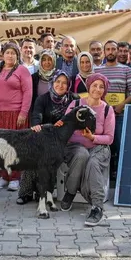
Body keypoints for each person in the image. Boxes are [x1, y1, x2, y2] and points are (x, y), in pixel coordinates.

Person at [59, 73, 115, 227]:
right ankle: (70, 192)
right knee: (82, 155)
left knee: (93, 163)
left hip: (98, 147)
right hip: (75, 146)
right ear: (89, 86)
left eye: (101, 87)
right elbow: (65, 127)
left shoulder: (107, 109)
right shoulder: (76, 103)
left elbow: (109, 138)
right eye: (94, 85)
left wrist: (92, 137)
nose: (97, 89)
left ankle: (97, 207)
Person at [17, 71, 77, 205]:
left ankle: (43, 191)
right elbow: (36, 116)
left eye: (64, 83)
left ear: (68, 85)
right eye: (58, 82)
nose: (60, 85)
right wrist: (37, 125)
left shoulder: (73, 99)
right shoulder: (43, 99)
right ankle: (26, 192)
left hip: (64, 142)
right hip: (44, 138)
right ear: (52, 82)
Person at [0, 43, 32, 191]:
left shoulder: (22, 70)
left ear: (17, 55)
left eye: (13, 53)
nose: (10, 55)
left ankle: (15, 178)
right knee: (0, 146)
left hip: (15, 113)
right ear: (3, 54)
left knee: (15, 146)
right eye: (7, 52)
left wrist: (23, 113)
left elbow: (28, 92)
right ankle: (4, 176)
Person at [97, 40, 131, 179]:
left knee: (121, 146)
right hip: (102, 116)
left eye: (113, 49)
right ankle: (105, 177)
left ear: (118, 51)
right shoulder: (97, 70)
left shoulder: (126, 70)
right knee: (103, 147)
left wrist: (122, 105)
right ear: (104, 52)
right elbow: (93, 92)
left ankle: (122, 177)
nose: (110, 52)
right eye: (108, 49)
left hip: (120, 116)